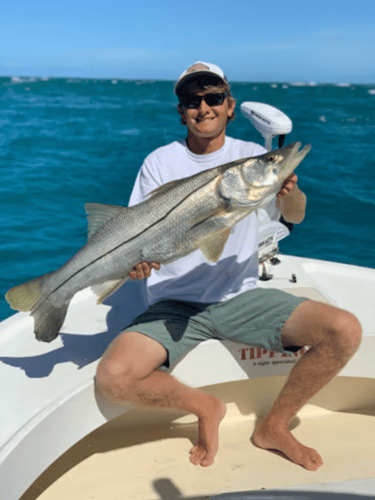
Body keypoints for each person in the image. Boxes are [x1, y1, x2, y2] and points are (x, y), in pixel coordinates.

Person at [96, 62, 362, 471]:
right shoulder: (159, 162)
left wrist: (288, 187)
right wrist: (135, 266)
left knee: (344, 330)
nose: (204, 107)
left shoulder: (253, 157)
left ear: (230, 105)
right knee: (114, 377)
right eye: (192, 100)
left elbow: (297, 215)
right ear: (181, 111)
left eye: (214, 97)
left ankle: (273, 426)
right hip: (173, 303)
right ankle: (206, 406)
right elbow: (136, 235)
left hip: (239, 296)